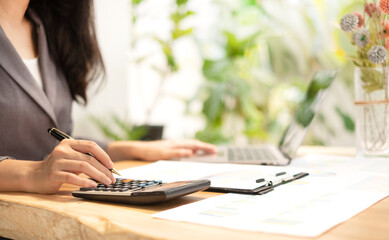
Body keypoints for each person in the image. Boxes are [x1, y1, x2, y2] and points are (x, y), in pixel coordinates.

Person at [0, 0, 216, 194]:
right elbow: (43, 166)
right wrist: (33, 173)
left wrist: (132, 149)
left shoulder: (48, 29)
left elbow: (56, 141)